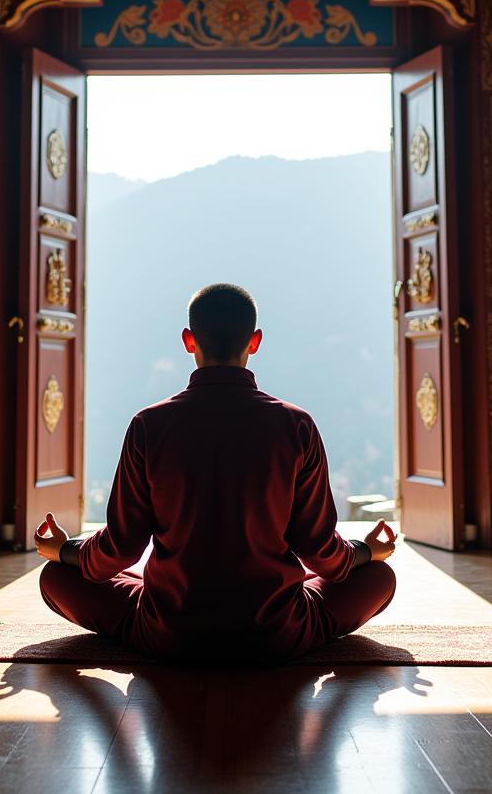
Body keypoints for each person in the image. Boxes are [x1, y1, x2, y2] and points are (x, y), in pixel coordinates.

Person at [36, 282, 397, 664]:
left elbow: (121, 549)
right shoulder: (296, 425)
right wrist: (365, 553)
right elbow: (322, 553)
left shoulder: (149, 425)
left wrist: (65, 551)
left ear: (189, 340)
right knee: (379, 579)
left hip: (169, 631)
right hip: (276, 632)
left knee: (55, 579)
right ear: (254, 342)